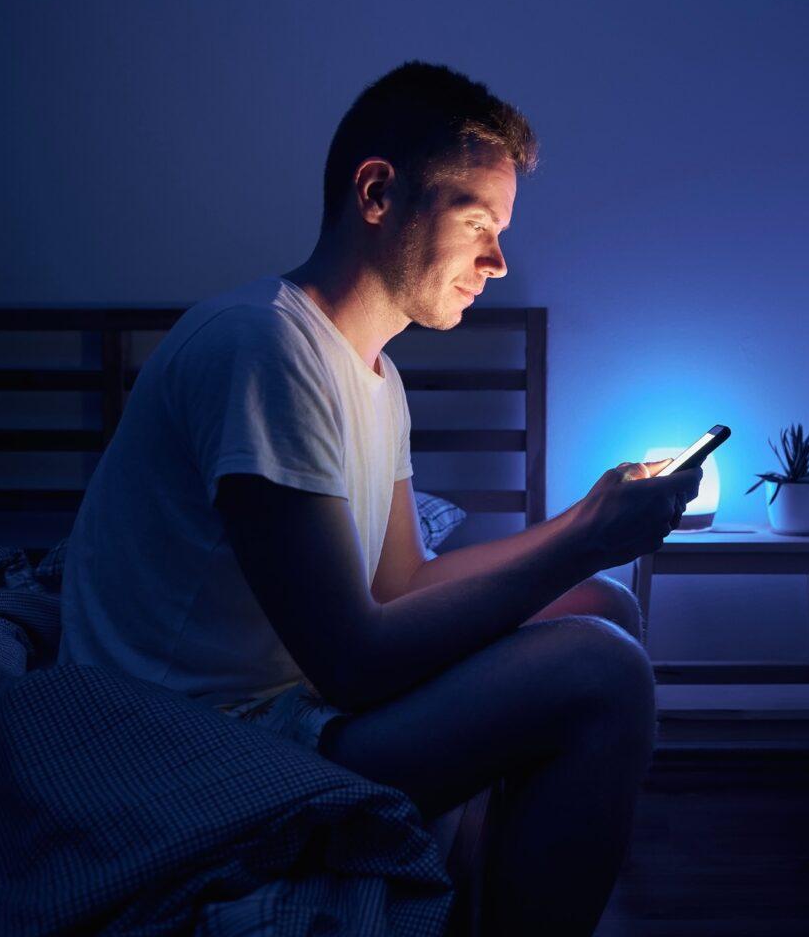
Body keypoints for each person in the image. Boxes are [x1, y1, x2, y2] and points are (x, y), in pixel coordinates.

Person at [57, 60, 702, 936]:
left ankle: (511, 883)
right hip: (195, 745)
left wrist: (590, 522)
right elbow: (352, 661)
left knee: (605, 607)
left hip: (286, 712)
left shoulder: (375, 375)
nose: (500, 262)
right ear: (376, 193)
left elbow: (399, 585)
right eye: (478, 223)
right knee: (601, 669)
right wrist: (588, 535)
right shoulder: (260, 346)